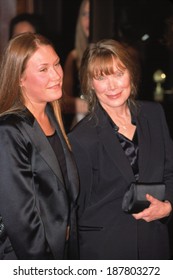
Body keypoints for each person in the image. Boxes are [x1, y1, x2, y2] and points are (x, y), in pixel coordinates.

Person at [68, 39, 173, 260]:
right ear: (90, 83)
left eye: (118, 74)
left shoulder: (154, 115)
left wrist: (168, 206)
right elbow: (76, 208)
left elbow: (170, 173)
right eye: (102, 77)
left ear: (131, 74)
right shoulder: (81, 138)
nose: (112, 86)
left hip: (155, 247)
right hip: (105, 252)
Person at [0, 33, 79, 260]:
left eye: (56, 64)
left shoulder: (51, 118)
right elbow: (23, 224)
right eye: (43, 69)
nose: (56, 75)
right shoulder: (9, 131)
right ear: (19, 78)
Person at [62, 0, 89, 131]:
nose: (88, 19)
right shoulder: (74, 57)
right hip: (81, 124)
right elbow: (63, 101)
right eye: (84, 14)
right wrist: (83, 105)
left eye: (92, 14)